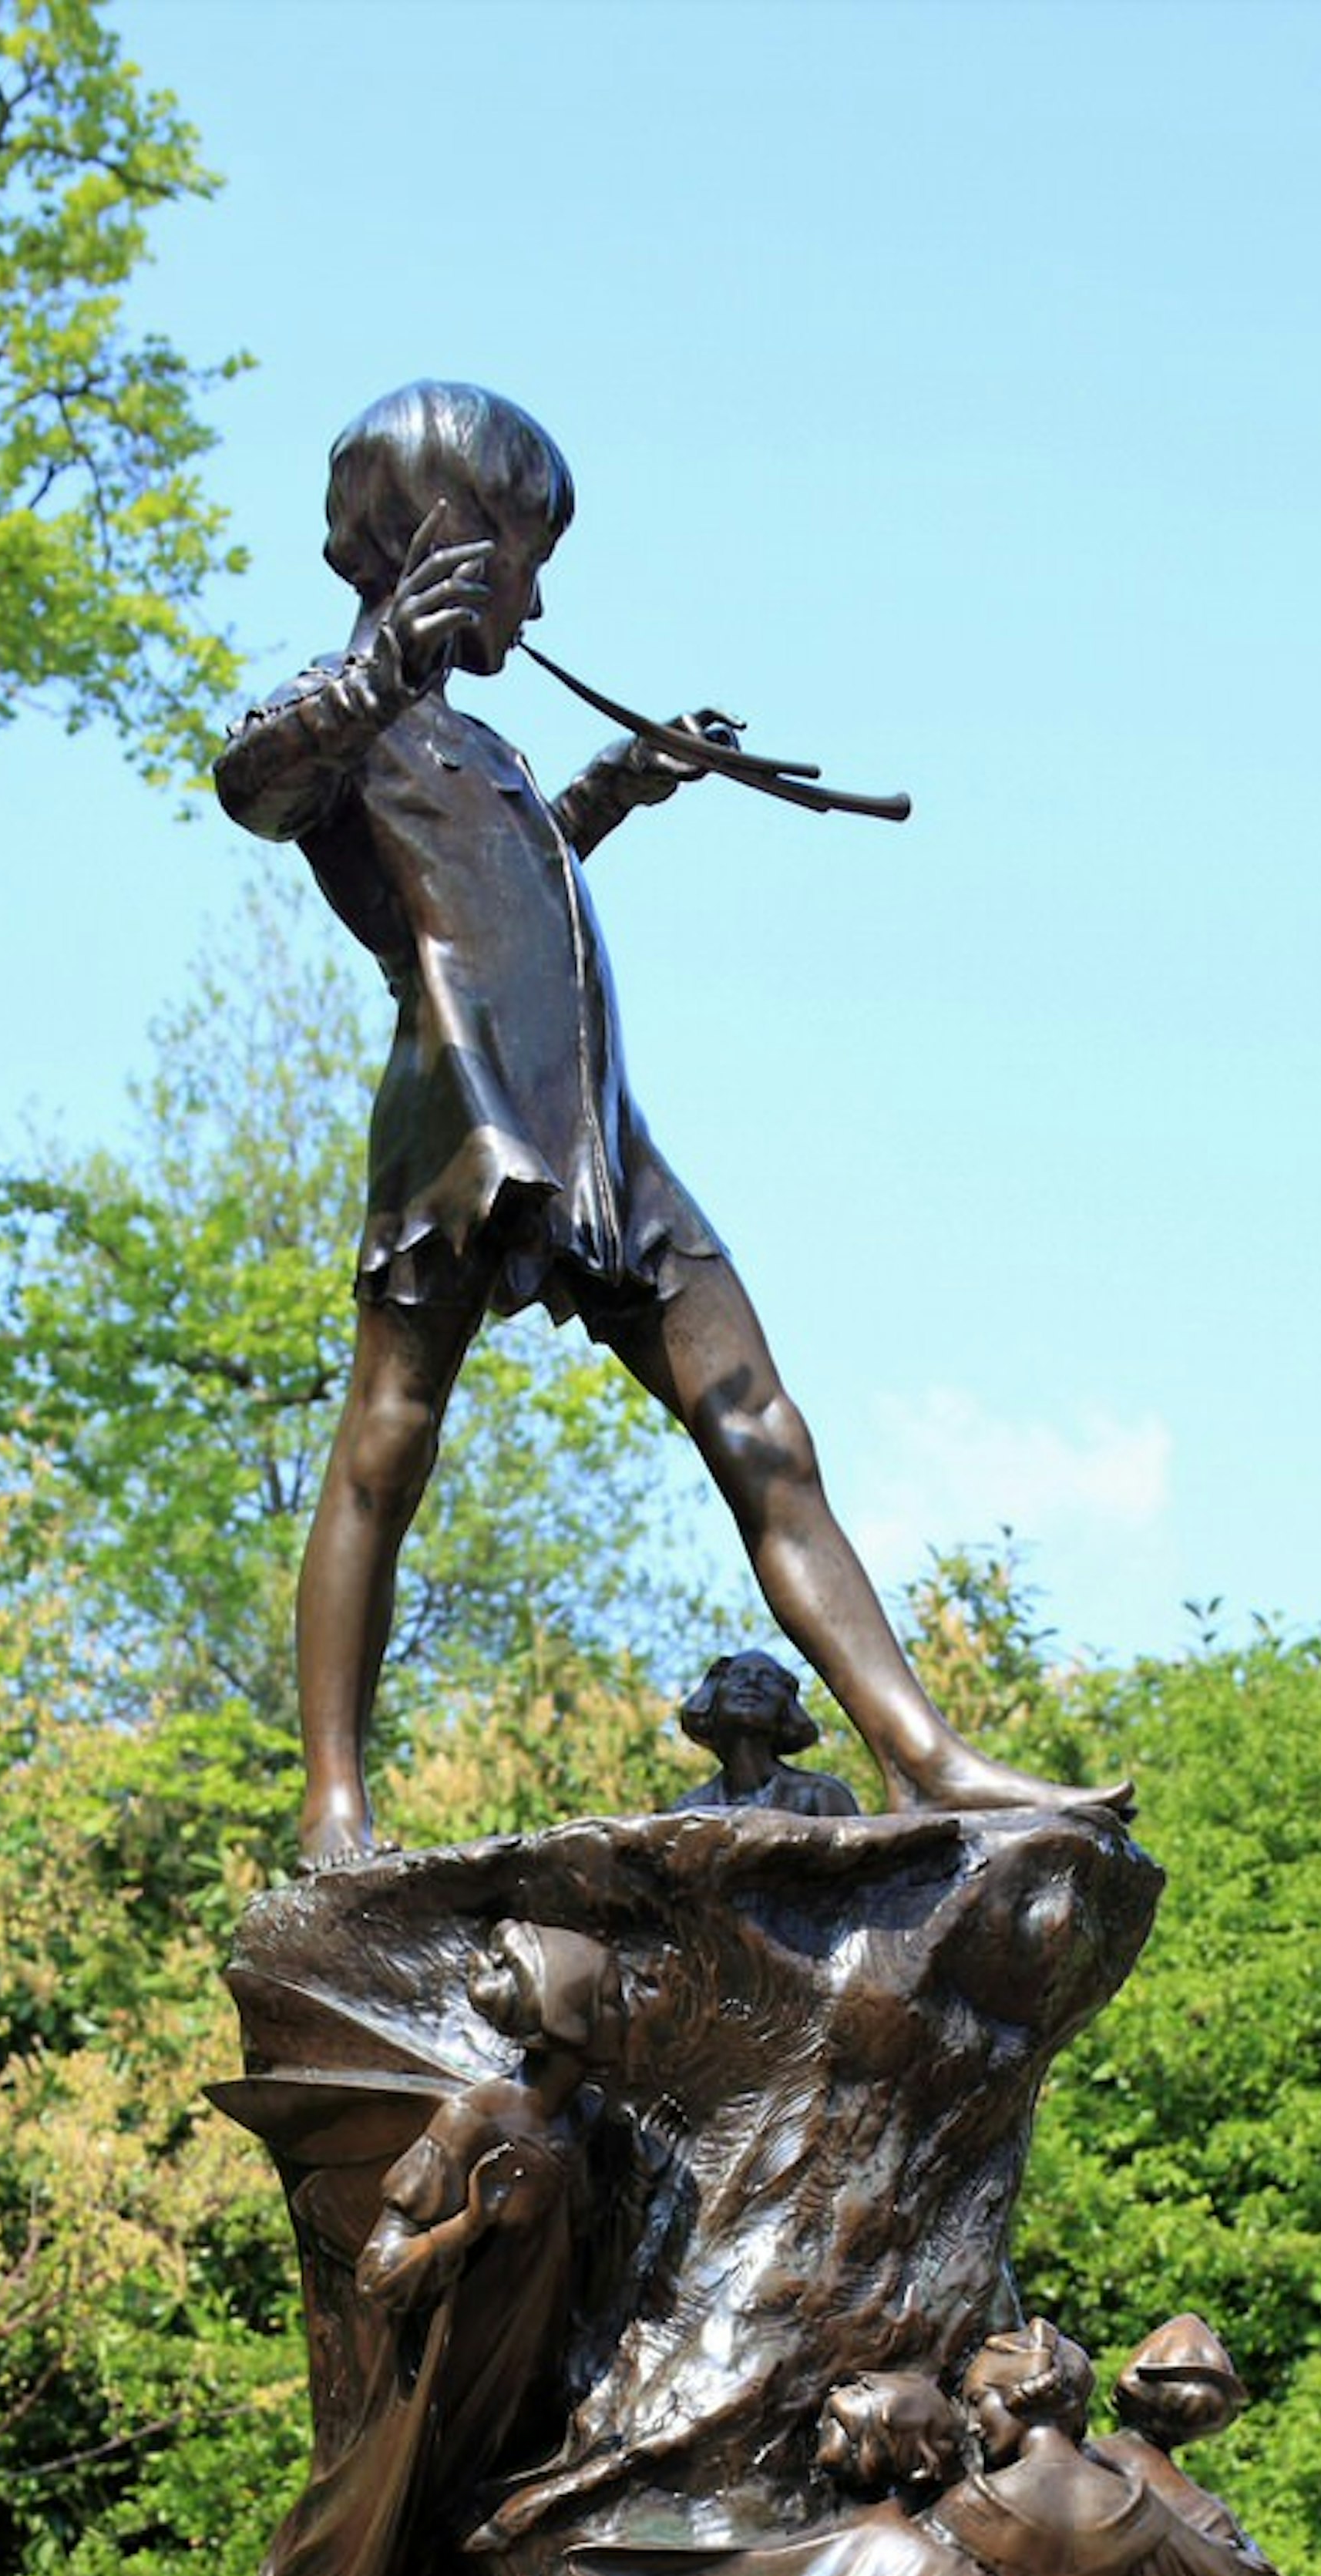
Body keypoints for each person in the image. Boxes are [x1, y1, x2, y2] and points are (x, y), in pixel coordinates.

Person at [214, 378, 1097, 1866]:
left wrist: (624, 779)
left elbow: (525, 866)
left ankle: (924, 1751)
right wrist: (378, 667)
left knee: (761, 1422)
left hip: (601, 1138)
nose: (539, 590)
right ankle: (333, 1806)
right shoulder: (350, 715)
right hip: (468, 1114)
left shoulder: (480, 748)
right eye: (520, 549)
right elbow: (254, 781)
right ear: (437, 539)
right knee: (388, 1438)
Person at [254, 1914, 612, 2576]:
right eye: (618, 1998)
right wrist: (471, 2224)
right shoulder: (470, 2121)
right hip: (448, 2382)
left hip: (529, 2374)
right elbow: (382, 2273)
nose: (636, 2013)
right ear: (573, 2020)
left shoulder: (585, 2123)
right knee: (379, 2543)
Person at [670, 1651, 859, 1818]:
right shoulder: (689, 1810)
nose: (752, 1681)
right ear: (713, 1696)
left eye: (767, 1677)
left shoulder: (821, 1795)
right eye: (738, 1674)